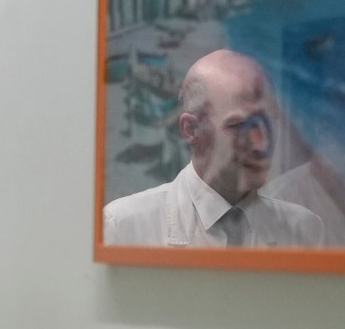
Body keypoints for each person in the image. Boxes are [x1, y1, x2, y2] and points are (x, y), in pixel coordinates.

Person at [102, 49, 326, 248]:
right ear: (191, 129)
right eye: (239, 126)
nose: (261, 144)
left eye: (269, 121)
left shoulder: (305, 230)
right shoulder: (125, 227)